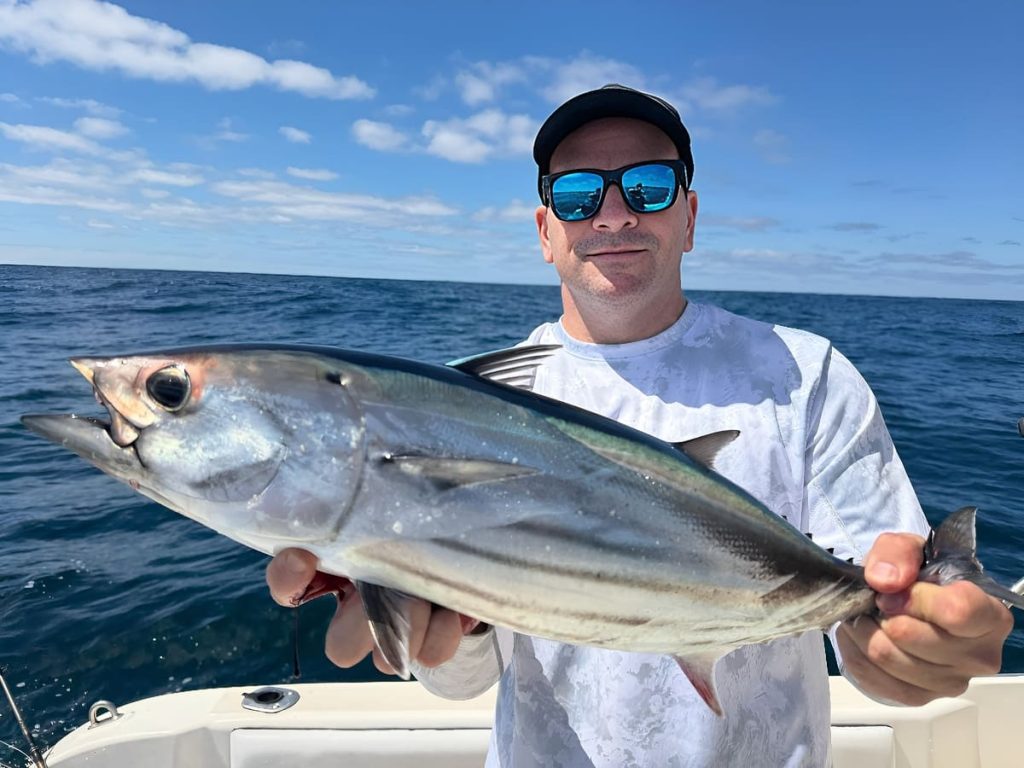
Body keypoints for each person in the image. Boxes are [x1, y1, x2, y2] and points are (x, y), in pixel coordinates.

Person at [267, 84, 1013, 766]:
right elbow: (460, 684)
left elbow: (874, 634)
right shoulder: (465, 401)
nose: (614, 214)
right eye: (578, 194)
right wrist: (447, 619)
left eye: (648, 188)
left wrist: (916, 646)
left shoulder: (803, 374)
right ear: (544, 229)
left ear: (689, 216)